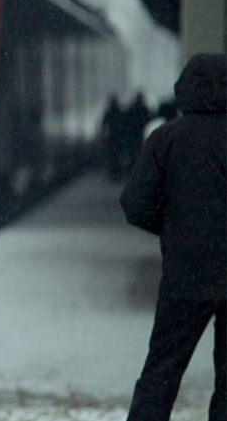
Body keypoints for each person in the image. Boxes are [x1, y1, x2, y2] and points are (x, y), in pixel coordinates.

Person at [120, 53, 226, 421]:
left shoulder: (165, 139)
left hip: (185, 274)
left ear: (184, 90)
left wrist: (172, 227)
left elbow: (134, 204)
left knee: (161, 375)